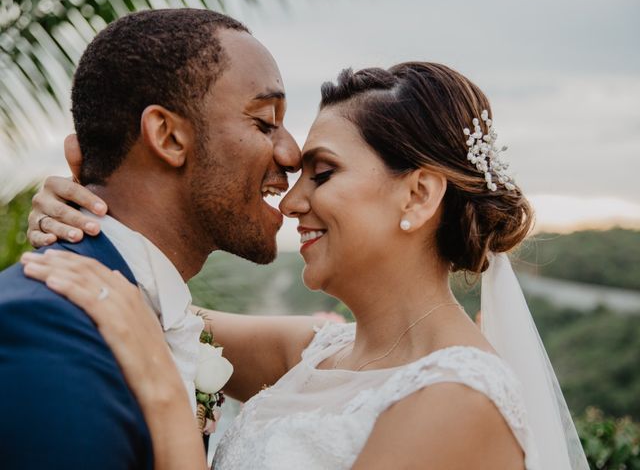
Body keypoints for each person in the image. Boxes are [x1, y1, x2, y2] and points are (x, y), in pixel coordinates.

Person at [24, 61, 591, 469]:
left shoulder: (458, 401)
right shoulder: (314, 352)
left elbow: (149, 339)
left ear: (418, 196)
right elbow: (145, 304)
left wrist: (169, 403)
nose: (292, 202)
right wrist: (91, 217)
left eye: (322, 174)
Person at [0, 8, 314, 469]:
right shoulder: (41, 328)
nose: (292, 154)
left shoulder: (161, 314)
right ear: (167, 136)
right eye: (265, 122)